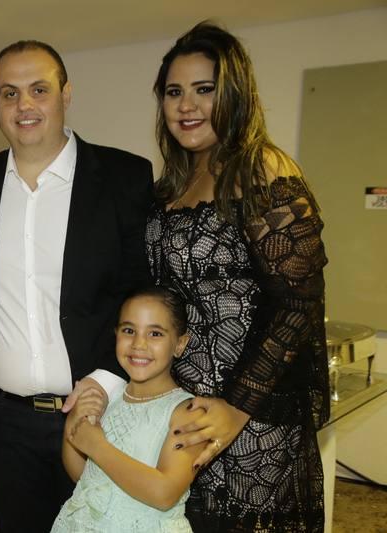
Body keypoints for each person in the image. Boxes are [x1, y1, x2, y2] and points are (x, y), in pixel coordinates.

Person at [0, 40, 153, 532]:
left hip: (99, 414)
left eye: (39, 90)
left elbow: (144, 291)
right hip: (3, 422)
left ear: (66, 94)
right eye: (9, 93)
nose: (24, 105)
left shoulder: (125, 177)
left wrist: (106, 380)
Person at [146, 21, 329, 531]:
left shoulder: (261, 169)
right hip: (186, 415)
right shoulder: (174, 183)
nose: (187, 106)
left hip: (252, 420)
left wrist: (237, 407)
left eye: (204, 90)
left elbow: (299, 304)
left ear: (234, 94)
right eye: (174, 92)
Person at [52, 286, 200, 532]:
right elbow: (83, 476)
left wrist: (97, 446)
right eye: (129, 331)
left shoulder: (186, 413)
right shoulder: (109, 397)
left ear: (180, 344)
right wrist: (73, 425)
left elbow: (165, 493)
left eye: (155, 334)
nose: (138, 344)